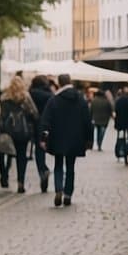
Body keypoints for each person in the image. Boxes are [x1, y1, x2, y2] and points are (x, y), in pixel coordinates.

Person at [38, 73, 90, 207]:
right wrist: (89, 139)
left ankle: (58, 190)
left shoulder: (54, 99)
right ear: (70, 81)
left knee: (58, 164)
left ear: (59, 83)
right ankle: (68, 194)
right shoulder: (80, 98)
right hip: (75, 138)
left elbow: (46, 120)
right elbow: (87, 120)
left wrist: (43, 138)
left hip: (58, 137)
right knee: (71, 166)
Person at [0, 76, 39, 193]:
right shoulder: (25, 97)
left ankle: (4, 175)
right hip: (23, 132)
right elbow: (35, 113)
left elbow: (1, 115)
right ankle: (21, 182)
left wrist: (2, 128)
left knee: (6, 153)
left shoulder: (4, 98)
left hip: (8, 130)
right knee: (21, 157)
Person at [29, 75, 55, 192]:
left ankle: (42, 170)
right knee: (43, 148)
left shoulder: (30, 94)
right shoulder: (50, 95)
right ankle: (47, 171)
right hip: (46, 125)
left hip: (32, 125)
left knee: (38, 151)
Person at [114, 85, 128, 164]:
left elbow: (116, 112)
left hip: (120, 124)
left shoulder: (119, 101)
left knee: (121, 139)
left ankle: (121, 152)